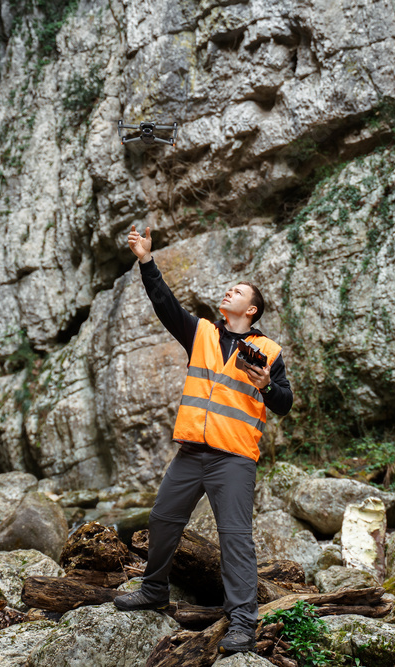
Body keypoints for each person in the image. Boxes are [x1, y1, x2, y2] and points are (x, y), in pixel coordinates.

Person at [113, 225, 294, 654]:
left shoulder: (268, 351)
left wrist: (267, 385)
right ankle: (154, 589)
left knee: (235, 538)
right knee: (162, 519)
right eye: (230, 289)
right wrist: (146, 260)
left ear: (252, 309)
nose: (229, 292)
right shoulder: (201, 333)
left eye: (238, 291)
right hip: (191, 453)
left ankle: (242, 622)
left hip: (234, 459)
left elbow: (284, 403)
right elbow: (164, 303)